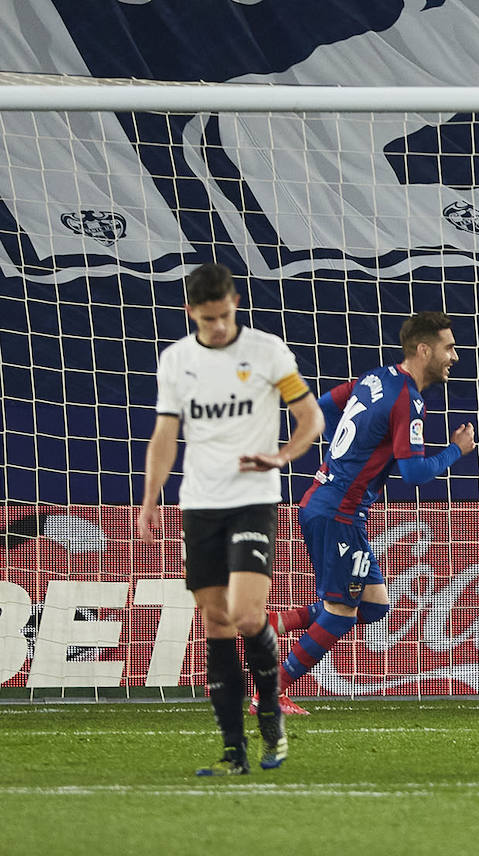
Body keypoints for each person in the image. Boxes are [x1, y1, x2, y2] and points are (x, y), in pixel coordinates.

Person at [137, 262, 324, 775]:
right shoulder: (175, 361)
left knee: (245, 614)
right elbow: (164, 435)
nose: (218, 326)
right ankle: (232, 751)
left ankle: (270, 718)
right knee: (216, 622)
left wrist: (282, 457)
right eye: (207, 317)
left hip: (252, 496)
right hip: (199, 503)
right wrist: (151, 497)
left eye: (225, 314)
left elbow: (311, 418)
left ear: (235, 303)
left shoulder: (266, 352)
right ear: (189, 311)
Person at [265, 311, 476, 704]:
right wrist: (455, 450)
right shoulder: (407, 399)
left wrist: (348, 455)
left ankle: (273, 625)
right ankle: (270, 689)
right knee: (342, 612)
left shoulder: (375, 378)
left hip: (333, 506)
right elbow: (414, 474)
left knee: (375, 605)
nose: (455, 356)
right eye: (449, 347)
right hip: (338, 513)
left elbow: (324, 406)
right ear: (424, 349)